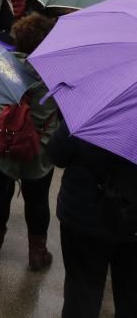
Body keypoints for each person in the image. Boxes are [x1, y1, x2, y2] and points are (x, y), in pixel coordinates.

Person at [0, 13, 61, 271]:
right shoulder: (57, 75)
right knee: (38, 199)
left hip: (0, 145)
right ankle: (37, 251)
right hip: (40, 150)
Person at [49, 120, 137, 317]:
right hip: (130, 221)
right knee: (131, 298)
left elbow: (57, 153)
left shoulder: (95, 108)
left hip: (84, 216)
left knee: (82, 295)